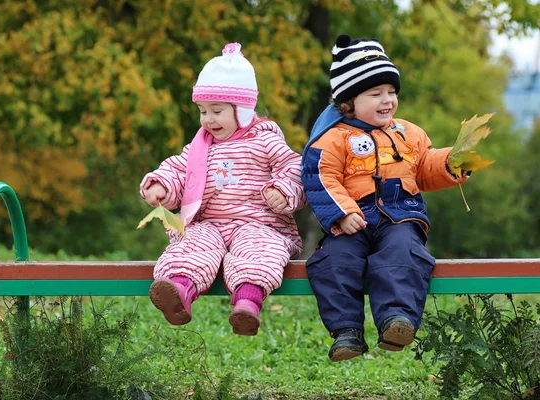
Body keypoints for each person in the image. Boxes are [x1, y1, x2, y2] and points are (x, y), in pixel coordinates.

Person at [301, 34, 470, 361]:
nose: (387, 99)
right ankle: (347, 330)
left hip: (400, 215)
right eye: (375, 93)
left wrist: (450, 162)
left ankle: (397, 319)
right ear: (348, 102)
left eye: (392, 92)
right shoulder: (333, 138)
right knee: (333, 261)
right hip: (352, 220)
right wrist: (341, 213)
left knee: (402, 254)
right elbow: (320, 176)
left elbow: (423, 167)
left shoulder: (409, 133)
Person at [140, 42, 306, 336]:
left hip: (259, 222)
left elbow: (293, 167)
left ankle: (247, 303)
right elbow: (180, 170)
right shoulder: (200, 147)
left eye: (216, 110)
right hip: (211, 223)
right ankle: (178, 291)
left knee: (259, 249)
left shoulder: (265, 141)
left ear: (242, 110)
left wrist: (283, 189)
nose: (208, 119)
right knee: (192, 242)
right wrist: (161, 185)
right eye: (203, 111)